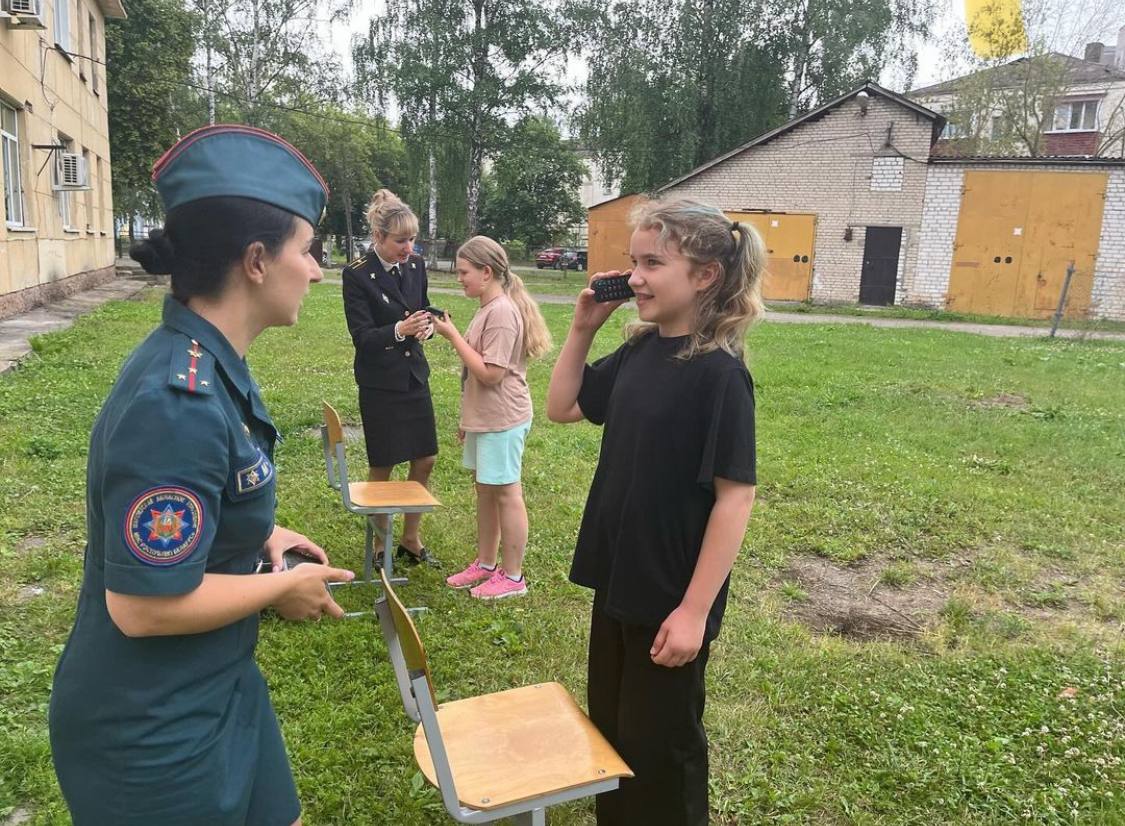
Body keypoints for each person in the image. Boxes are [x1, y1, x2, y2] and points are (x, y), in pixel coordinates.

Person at [47, 124, 355, 826]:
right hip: (149, 732)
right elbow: (142, 605)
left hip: (217, 685)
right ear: (255, 260)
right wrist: (281, 587)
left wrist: (258, 536)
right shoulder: (174, 401)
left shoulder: (211, 363)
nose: (314, 270)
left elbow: (205, 496)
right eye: (307, 251)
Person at [546, 197, 763, 825]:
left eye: (652, 263)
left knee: (662, 748)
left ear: (705, 275)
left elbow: (735, 495)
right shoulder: (641, 352)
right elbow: (563, 406)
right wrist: (584, 326)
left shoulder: (720, 376)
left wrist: (694, 611)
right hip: (619, 579)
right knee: (612, 734)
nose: (634, 276)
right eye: (632, 263)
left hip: (670, 594)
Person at [432, 236, 552, 599]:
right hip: (485, 419)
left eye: (464, 272)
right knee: (486, 491)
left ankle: (513, 577)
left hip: (504, 418)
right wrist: (469, 422)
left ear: (487, 273)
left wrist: (452, 334)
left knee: (506, 492)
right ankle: (486, 564)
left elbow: (490, 374)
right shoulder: (489, 307)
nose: (459, 279)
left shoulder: (501, 312)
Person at [341, 190, 439, 566]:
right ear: (379, 238)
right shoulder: (357, 274)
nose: (409, 248)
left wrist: (425, 327)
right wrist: (399, 329)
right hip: (380, 383)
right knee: (383, 463)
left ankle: (411, 540)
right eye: (401, 241)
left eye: (412, 239)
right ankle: (381, 544)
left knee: (425, 457)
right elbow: (362, 338)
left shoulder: (415, 267)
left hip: (414, 376)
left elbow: (423, 308)